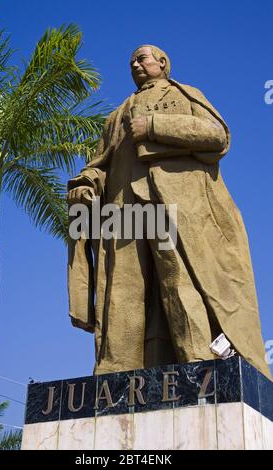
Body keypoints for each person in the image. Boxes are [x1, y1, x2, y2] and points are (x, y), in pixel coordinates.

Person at [67, 45, 271, 378]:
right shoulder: (116, 116)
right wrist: (86, 184)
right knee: (121, 290)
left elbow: (218, 136)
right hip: (123, 211)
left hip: (170, 204)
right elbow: (98, 164)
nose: (135, 63)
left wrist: (154, 127)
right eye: (131, 61)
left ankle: (198, 363)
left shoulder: (186, 95)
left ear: (163, 63)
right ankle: (115, 373)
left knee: (179, 281)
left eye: (142, 58)